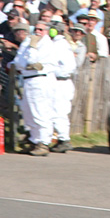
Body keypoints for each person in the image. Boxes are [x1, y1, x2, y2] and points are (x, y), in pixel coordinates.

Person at [10, 19, 58, 156]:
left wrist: (32, 48)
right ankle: (34, 140)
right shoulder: (29, 41)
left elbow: (32, 61)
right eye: (36, 29)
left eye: (41, 29)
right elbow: (19, 62)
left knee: (40, 112)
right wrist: (28, 63)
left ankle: (43, 143)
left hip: (40, 80)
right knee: (28, 112)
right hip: (28, 79)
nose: (37, 32)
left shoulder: (46, 44)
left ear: (47, 31)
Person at [50, 22, 77, 152]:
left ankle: (63, 139)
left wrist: (52, 72)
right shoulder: (60, 44)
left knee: (59, 112)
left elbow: (68, 67)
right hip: (60, 81)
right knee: (57, 111)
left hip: (61, 82)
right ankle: (61, 138)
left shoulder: (59, 45)